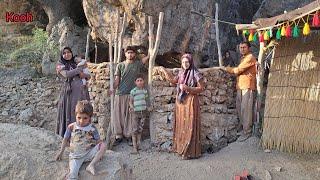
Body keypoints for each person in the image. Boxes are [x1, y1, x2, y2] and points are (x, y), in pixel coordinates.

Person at [159, 53, 205, 160]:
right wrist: (164, 71)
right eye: (183, 62)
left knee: (190, 125)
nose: (185, 64)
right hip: (181, 102)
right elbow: (174, 81)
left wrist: (188, 88)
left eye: (187, 62)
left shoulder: (196, 73)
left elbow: (202, 88)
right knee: (181, 124)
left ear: (191, 62)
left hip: (191, 101)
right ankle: (180, 149)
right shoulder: (181, 73)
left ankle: (190, 152)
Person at [55, 100, 106, 179]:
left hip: (88, 154)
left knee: (103, 145)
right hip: (76, 157)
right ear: (75, 115)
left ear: (90, 117)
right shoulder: (71, 127)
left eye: (85, 118)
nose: (81, 121)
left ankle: (91, 165)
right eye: (79, 118)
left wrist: (99, 154)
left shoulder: (92, 128)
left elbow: (98, 141)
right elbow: (65, 139)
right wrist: (61, 152)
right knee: (73, 176)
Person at [111, 46, 149, 145]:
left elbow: (145, 59)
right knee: (118, 115)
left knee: (130, 116)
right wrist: (113, 88)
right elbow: (117, 79)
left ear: (135, 54)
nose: (130, 54)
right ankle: (118, 135)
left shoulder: (137, 64)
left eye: (132, 52)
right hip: (120, 93)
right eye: (128, 52)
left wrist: (149, 54)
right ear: (125, 54)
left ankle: (128, 136)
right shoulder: (120, 65)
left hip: (132, 94)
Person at [221, 41, 257, 142]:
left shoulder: (250, 58)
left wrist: (226, 68)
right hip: (240, 86)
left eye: (244, 47)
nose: (242, 49)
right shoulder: (243, 58)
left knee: (246, 110)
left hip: (248, 86)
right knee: (240, 108)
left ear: (249, 48)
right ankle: (244, 129)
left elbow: (238, 70)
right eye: (240, 47)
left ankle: (247, 131)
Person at [56, 47, 91, 137]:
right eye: (64, 53)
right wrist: (79, 69)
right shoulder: (60, 65)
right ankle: (68, 135)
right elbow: (66, 74)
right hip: (69, 94)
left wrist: (84, 74)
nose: (67, 54)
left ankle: (83, 134)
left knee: (82, 110)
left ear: (72, 53)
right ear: (62, 55)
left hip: (82, 92)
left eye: (68, 52)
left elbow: (88, 75)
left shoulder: (76, 61)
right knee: (71, 111)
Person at [129, 74, 151, 154]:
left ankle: (138, 144)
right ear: (135, 82)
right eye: (137, 81)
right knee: (134, 129)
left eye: (141, 80)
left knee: (140, 129)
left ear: (143, 81)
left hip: (143, 112)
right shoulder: (133, 91)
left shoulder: (145, 91)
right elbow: (131, 101)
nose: (139, 82)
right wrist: (131, 107)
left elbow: (146, 100)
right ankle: (134, 148)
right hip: (135, 113)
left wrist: (148, 107)